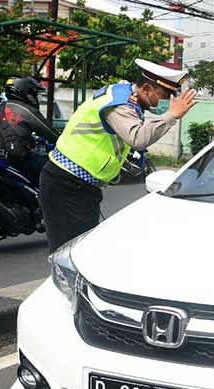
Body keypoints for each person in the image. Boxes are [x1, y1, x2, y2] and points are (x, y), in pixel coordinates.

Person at [39, 59, 197, 253]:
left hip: (81, 186)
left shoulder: (124, 95)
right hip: (67, 184)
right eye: (165, 96)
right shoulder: (120, 105)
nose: (167, 103)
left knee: (81, 250)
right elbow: (137, 138)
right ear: (147, 89)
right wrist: (171, 116)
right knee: (66, 253)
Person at [0, 77, 60, 179]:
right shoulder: (27, 111)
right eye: (35, 93)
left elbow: (11, 131)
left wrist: (32, 140)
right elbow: (52, 134)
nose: (36, 97)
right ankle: (44, 195)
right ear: (26, 92)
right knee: (54, 167)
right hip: (17, 160)